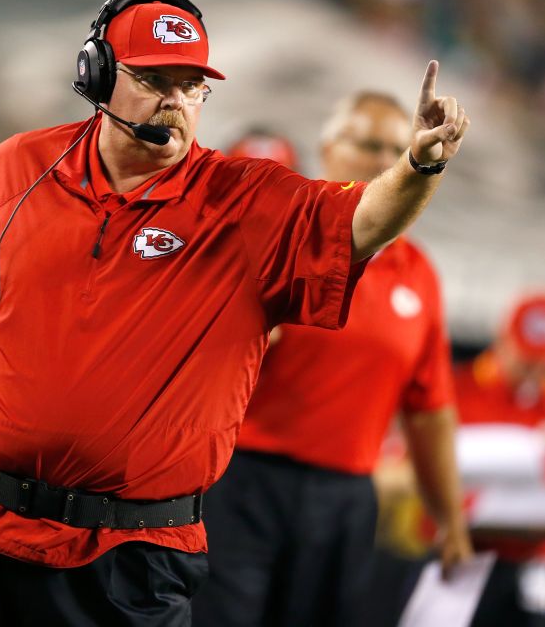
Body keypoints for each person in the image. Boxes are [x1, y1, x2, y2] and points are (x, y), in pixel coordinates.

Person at [0, 0, 471, 625]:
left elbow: (361, 223)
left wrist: (419, 164)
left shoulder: (245, 203)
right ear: (98, 75)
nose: (175, 100)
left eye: (192, 84)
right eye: (155, 78)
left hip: (127, 560)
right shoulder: (13, 169)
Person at [192, 93, 472, 627]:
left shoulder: (418, 275)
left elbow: (430, 410)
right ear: (326, 148)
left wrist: (450, 520)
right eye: (369, 143)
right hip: (240, 482)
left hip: (346, 497)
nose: (385, 156)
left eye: (395, 146)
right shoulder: (279, 239)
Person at [453, 293, 545, 626]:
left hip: (533, 568)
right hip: (460, 558)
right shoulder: (458, 389)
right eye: (530, 358)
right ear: (504, 342)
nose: (540, 370)